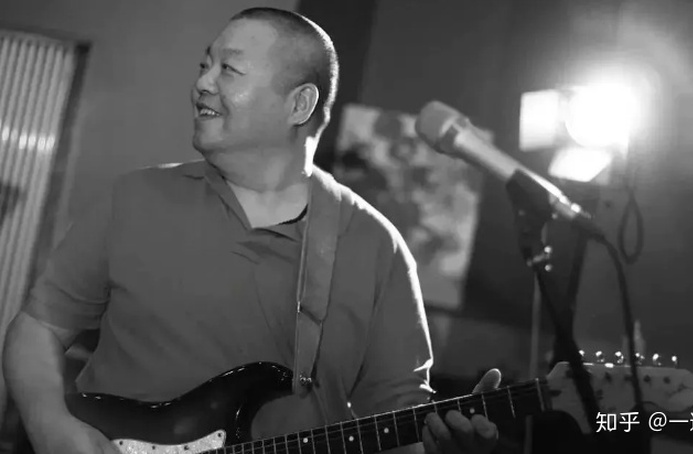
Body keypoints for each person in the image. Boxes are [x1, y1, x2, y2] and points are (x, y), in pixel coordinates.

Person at [3, 7, 500, 454]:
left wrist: (449, 446)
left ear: (299, 105)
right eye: (205, 65)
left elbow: (399, 427)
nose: (202, 83)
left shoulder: (378, 249)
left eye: (229, 69)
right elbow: (39, 328)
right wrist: (50, 426)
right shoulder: (133, 198)